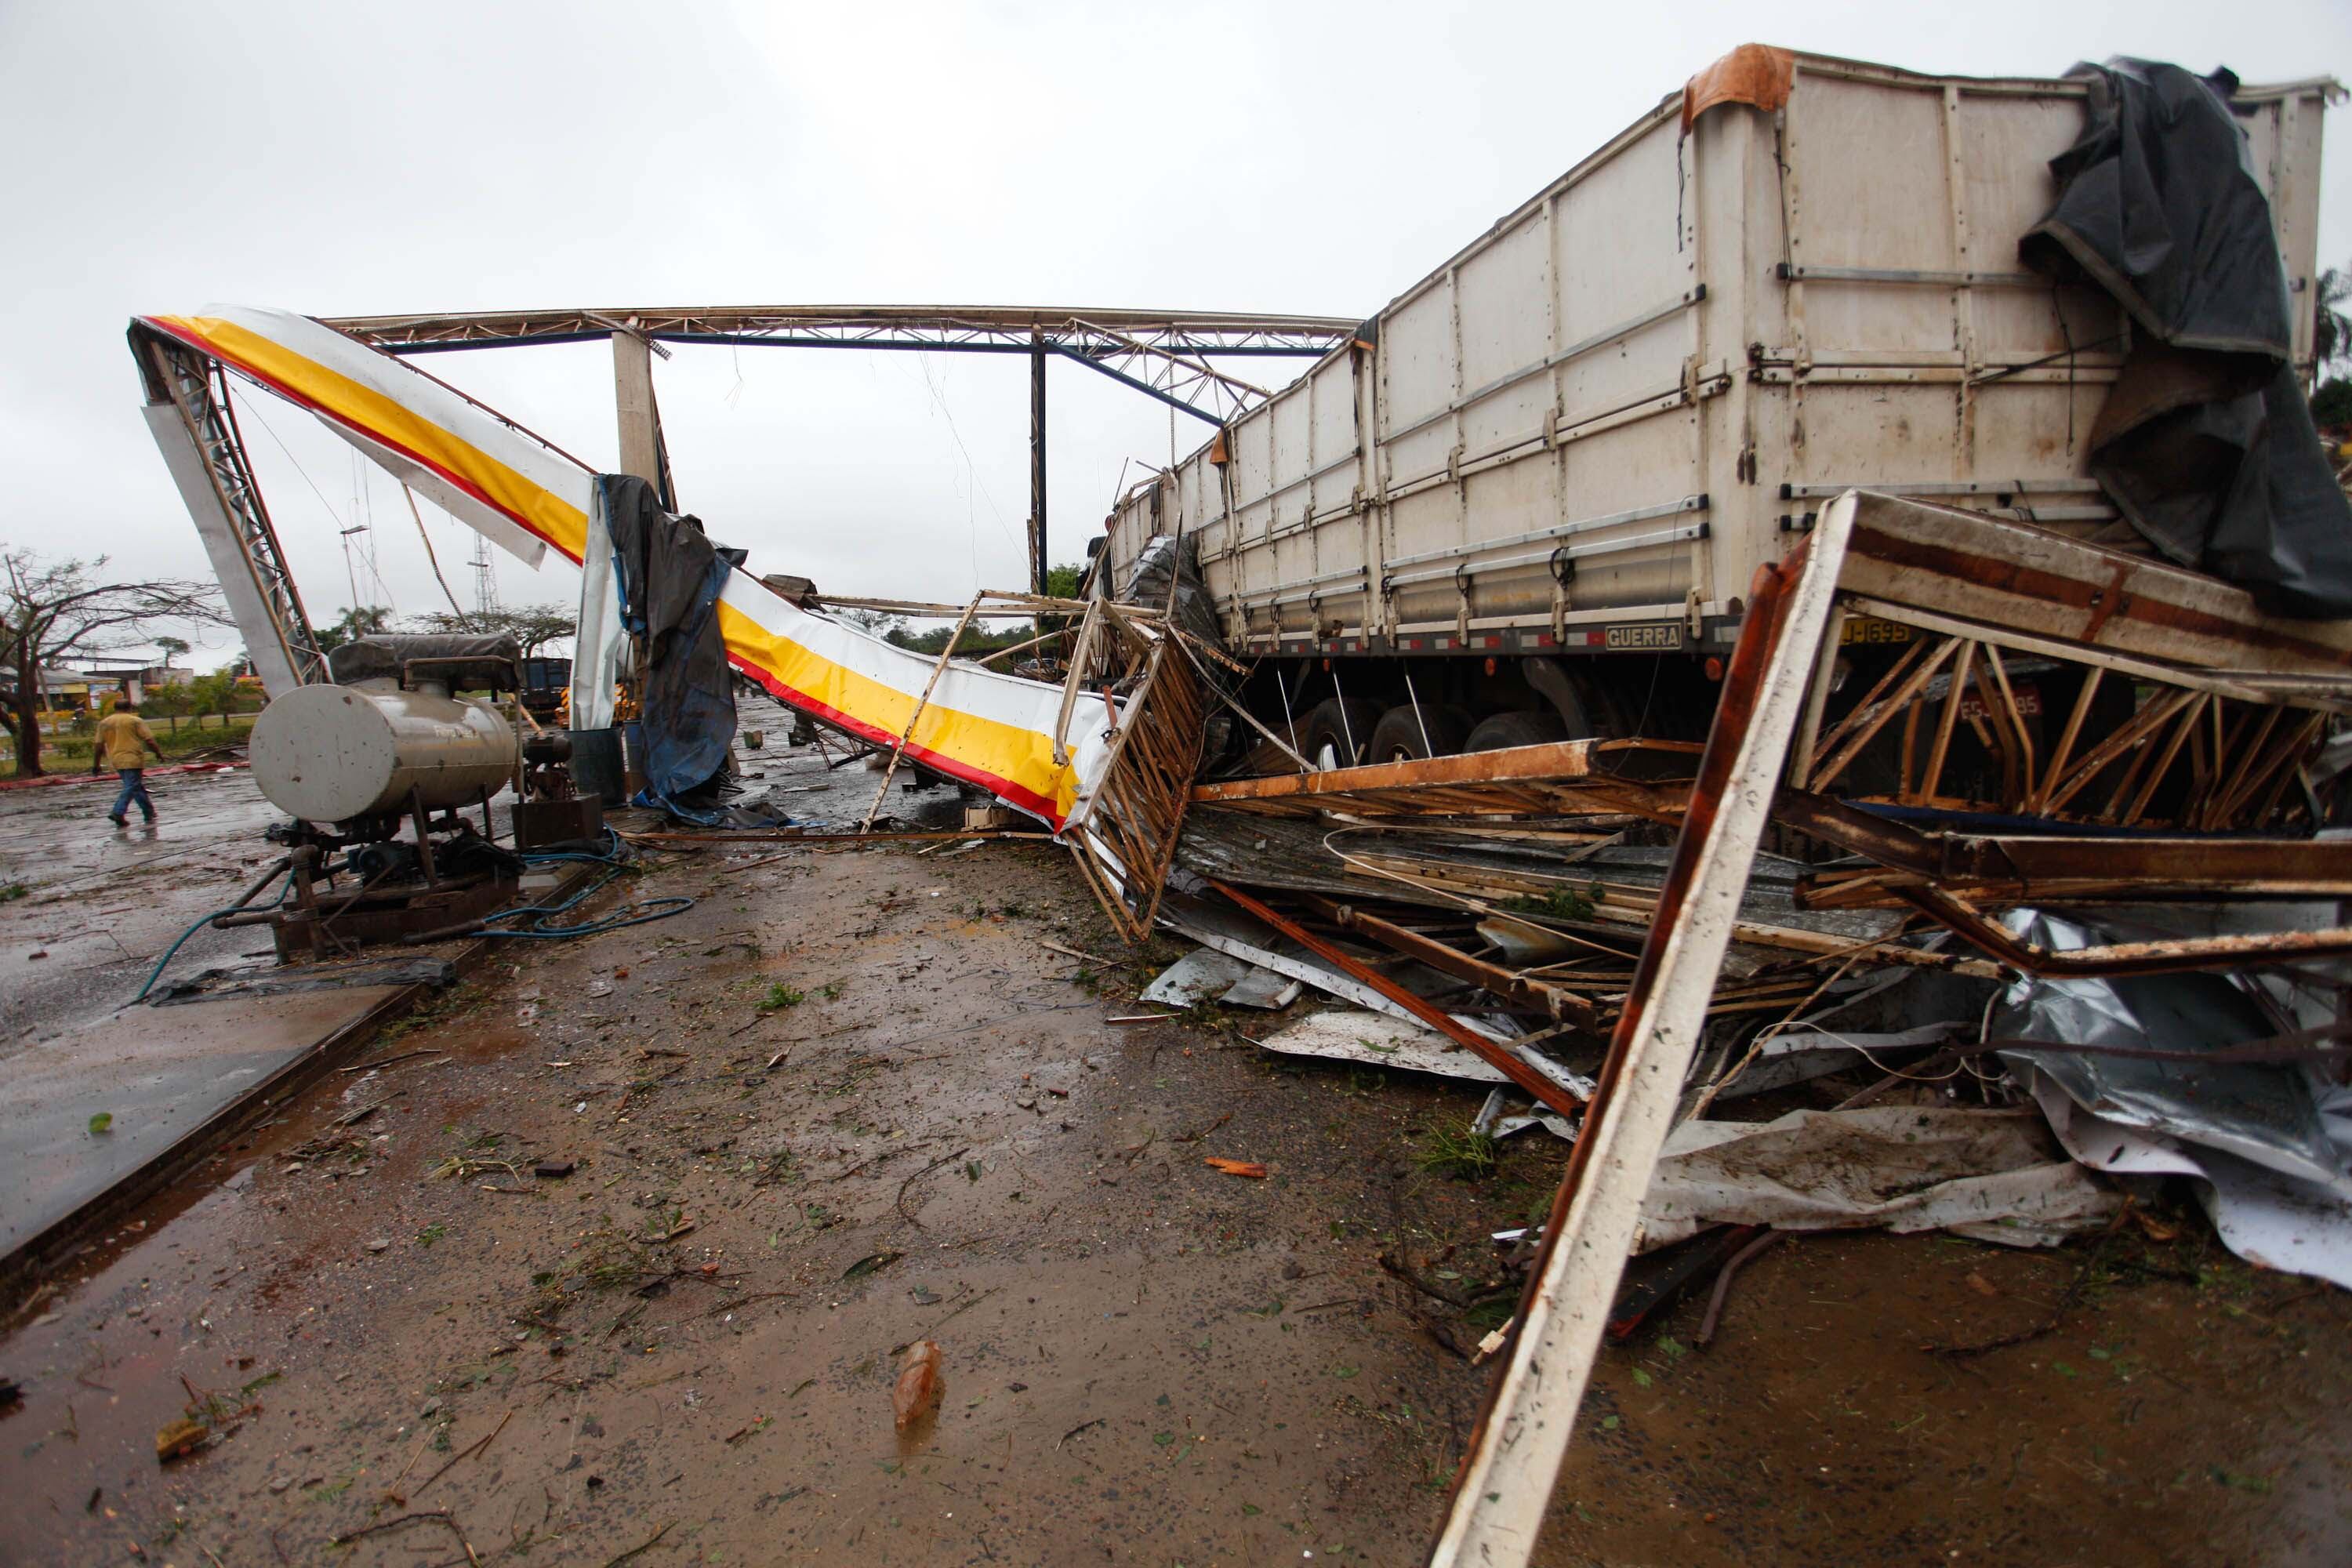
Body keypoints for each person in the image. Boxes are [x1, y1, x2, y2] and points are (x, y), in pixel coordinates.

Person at [91, 695, 164, 827]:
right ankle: (118, 811)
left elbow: (98, 746)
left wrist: (96, 765)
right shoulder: (134, 721)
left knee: (135, 786)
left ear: (115, 709)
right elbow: (149, 740)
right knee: (131, 786)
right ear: (129, 708)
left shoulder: (105, 723)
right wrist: (158, 753)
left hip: (116, 759)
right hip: (133, 758)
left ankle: (149, 812)